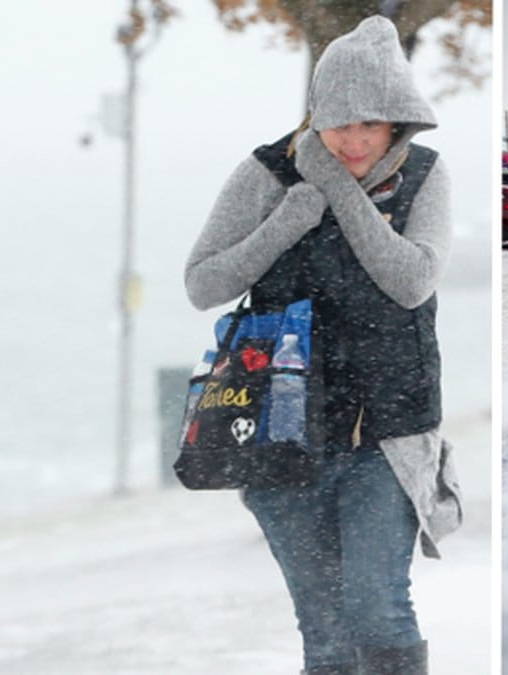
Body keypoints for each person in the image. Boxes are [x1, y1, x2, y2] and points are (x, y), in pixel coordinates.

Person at [183, 16, 461, 675]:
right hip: (282, 440)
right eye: (341, 122)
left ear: (398, 120)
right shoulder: (265, 173)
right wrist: (285, 220)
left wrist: (336, 190)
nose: (356, 139)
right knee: (327, 636)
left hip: (387, 438)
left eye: (374, 123)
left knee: (378, 610)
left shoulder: (425, 176)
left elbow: (412, 280)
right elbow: (203, 283)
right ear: (317, 115)